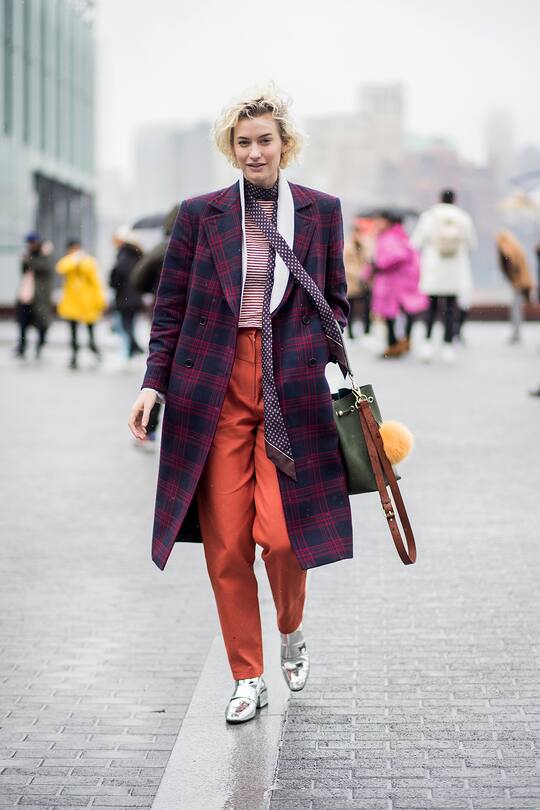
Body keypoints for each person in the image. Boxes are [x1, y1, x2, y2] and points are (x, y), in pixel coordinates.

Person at [128, 87, 352, 725]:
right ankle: (246, 675)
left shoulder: (319, 211)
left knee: (283, 539)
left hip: (290, 382)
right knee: (226, 546)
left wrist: (316, 344)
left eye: (264, 140)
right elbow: (169, 307)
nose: (254, 152)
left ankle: (290, 628)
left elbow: (336, 298)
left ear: (285, 144)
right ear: (231, 147)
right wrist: (153, 384)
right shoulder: (200, 215)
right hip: (215, 389)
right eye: (243, 141)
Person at [129, 205, 180, 450]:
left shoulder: (163, 248)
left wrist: (155, 288)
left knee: (162, 366)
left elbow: (137, 279)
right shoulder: (205, 243)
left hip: (165, 315)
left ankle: (149, 429)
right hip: (200, 318)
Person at [411, 189, 477, 363]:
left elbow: (416, 242)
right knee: (450, 308)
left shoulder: (429, 217)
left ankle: (427, 344)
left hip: (433, 268)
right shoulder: (463, 217)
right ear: (455, 200)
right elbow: (472, 244)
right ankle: (448, 345)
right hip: (455, 269)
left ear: (439, 199)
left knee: (431, 307)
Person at [366, 210, 427, 358]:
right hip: (404, 279)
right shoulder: (400, 235)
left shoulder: (389, 237)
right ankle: (404, 341)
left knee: (390, 312)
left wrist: (378, 265)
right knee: (405, 310)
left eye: (380, 220)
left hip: (393, 281)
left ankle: (394, 344)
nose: (377, 223)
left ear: (387, 222)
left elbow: (396, 256)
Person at [56, 239, 106, 369]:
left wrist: (100, 300)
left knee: (91, 331)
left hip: (87, 303)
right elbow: (61, 268)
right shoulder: (68, 261)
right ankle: (74, 357)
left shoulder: (88, 261)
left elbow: (95, 281)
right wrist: (74, 261)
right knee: (73, 333)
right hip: (72, 304)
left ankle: (95, 350)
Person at [14, 232, 54, 359]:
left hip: (40, 298)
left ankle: (40, 346)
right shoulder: (29, 255)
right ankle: (22, 346)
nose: (31, 246)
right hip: (25, 296)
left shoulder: (45, 255)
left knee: (42, 324)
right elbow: (24, 270)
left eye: (33, 243)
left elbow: (43, 267)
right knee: (22, 323)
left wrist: (31, 258)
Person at [109, 227, 145, 361]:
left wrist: (112, 279)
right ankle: (132, 351)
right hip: (135, 294)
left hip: (126, 295)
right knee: (129, 325)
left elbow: (119, 274)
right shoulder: (137, 254)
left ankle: (136, 348)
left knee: (126, 325)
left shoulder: (124, 254)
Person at [495, 230, 533, 344]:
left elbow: (510, 259)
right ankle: (516, 332)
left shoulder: (507, 246)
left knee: (516, 308)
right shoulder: (516, 246)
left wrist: (513, 276)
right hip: (523, 282)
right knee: (518, 307)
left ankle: (516, 333)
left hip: (520, 283)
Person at [343, 220, 373, 339]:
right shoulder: (348, 247)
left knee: (367, 306)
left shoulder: (364, 245)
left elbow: (368, 260)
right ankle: (350, 334)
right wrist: (359, 273)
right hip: (352, 282)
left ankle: (366, 331)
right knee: (350, 308)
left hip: (363, 283)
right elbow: (346, 265)